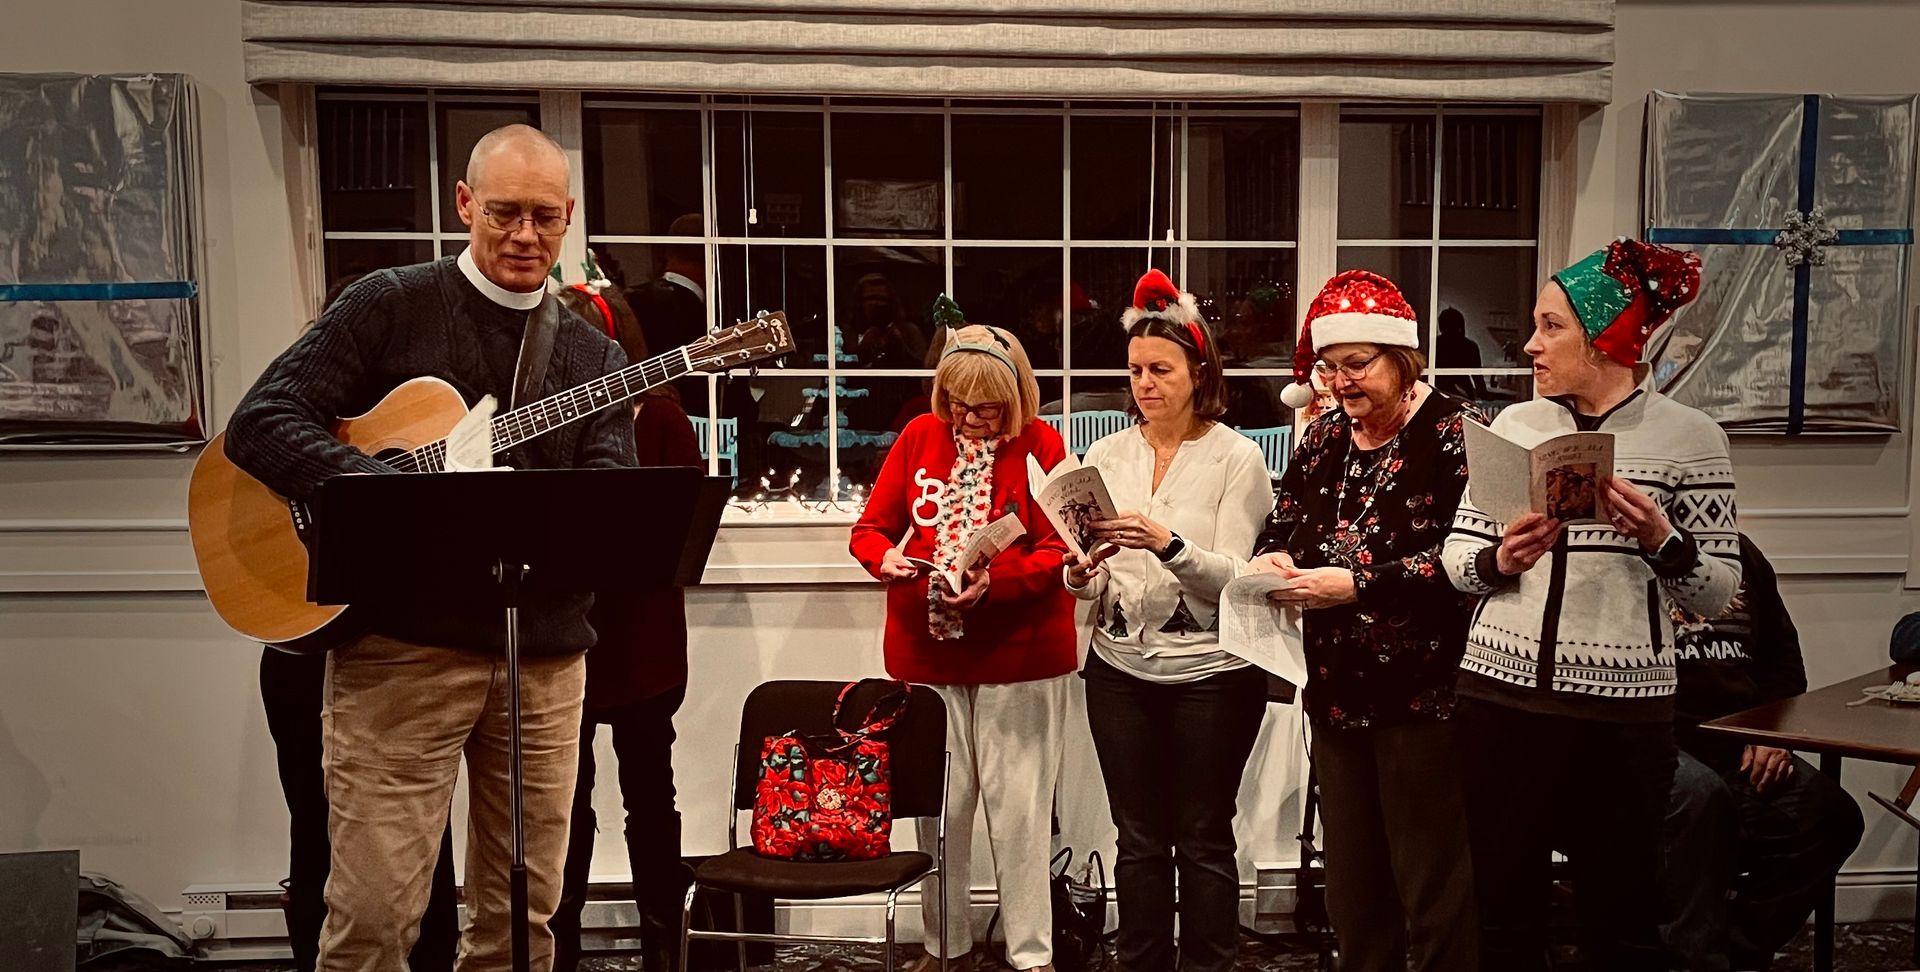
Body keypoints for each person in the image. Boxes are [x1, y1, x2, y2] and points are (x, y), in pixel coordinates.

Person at [225, 124, 637, 971]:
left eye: (545, 217)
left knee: (523, 923)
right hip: (396, 651)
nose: (525, 235)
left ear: (568, 220)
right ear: (463, 206)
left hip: (545, 663)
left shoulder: (595, 355)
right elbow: (261, 422)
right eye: (504, 213)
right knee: (375, 913)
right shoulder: (390, 302)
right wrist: (388, 492)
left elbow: (606, 506)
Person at [1442, 238, 1743, 971]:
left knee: (1623, 922)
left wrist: (1662, 539)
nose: (1531, 345)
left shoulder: (1691, 440)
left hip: (1623, 717)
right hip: (1501, 701)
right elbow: (1456, 564)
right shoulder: (1514, 429)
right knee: (1504, 920)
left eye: (1552, 327)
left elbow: (1718, 592)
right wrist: (1498, 559)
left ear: (1606, 339)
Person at [1249, 270, 1480, 972]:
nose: (1340, 382)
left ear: (1403, 360)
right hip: (1336, 691)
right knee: (1353, 888)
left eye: (1358, 364)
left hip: (1426, 695)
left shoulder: (1456, 434)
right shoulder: (1322, 437)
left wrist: (1355, 586)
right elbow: (1279, 525)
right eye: (1329, 366)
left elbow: (1465, 565)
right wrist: (1271, 564)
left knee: (1432, 884)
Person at [848, 305, 1077, 972]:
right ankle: (944, 945)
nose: (971, 421)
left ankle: (1031, 955)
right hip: (926, 653)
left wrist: (992, 583)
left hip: (1021, 654)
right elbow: (871, 527)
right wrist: (880, 559)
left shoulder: (1043, 446)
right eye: (960, 406)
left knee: (1020, 815)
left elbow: (1060, 551)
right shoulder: (920, 436)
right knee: (941, 812)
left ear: (1016, 401)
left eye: (988, 410)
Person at [1064, 270, 1274, 972]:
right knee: (1138, 838)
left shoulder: (1237, 458)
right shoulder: (1106, 454)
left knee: (1204, 835)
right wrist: (1079, 572)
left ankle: (1212, 962)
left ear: (1199, 372)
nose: (1145, 384)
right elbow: (1087, 557)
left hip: (1213, 673)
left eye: (1160, 369)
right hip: (1119, 667)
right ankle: (1143, 961)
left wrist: (1170, 546)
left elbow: (1238, 578)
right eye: (1135, 371)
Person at [258, 274, 460, 972]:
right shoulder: (296, 407)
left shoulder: (414, 412)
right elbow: (252, 449)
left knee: (422, 838)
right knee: (319, 831)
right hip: (305, 649)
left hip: (401, 648)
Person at [549, 284, 704, 972]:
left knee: (650, 795)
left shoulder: (663, 418)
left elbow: (680, 537)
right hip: (566, 640)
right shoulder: (542, 418)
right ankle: (560, 944)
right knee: (565, 804)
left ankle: (663, 945)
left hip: (640, 641)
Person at [1662, 533, 1864, 972]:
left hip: (1740, 742)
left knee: (1830, 815)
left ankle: (1735, 955)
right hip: (1653, 743)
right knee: (1701, 801)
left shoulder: (1739, 551)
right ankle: (1694, 957)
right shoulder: (1612, 552)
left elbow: (1784, 664)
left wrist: (1773, 733)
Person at [1432, 308, 1488, 401]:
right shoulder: (1469, 346)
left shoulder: (1434, 344)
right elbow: (1478, 377)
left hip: (1449, 391)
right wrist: (1483, 397)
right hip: (1458, 391)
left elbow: (1477, 376)